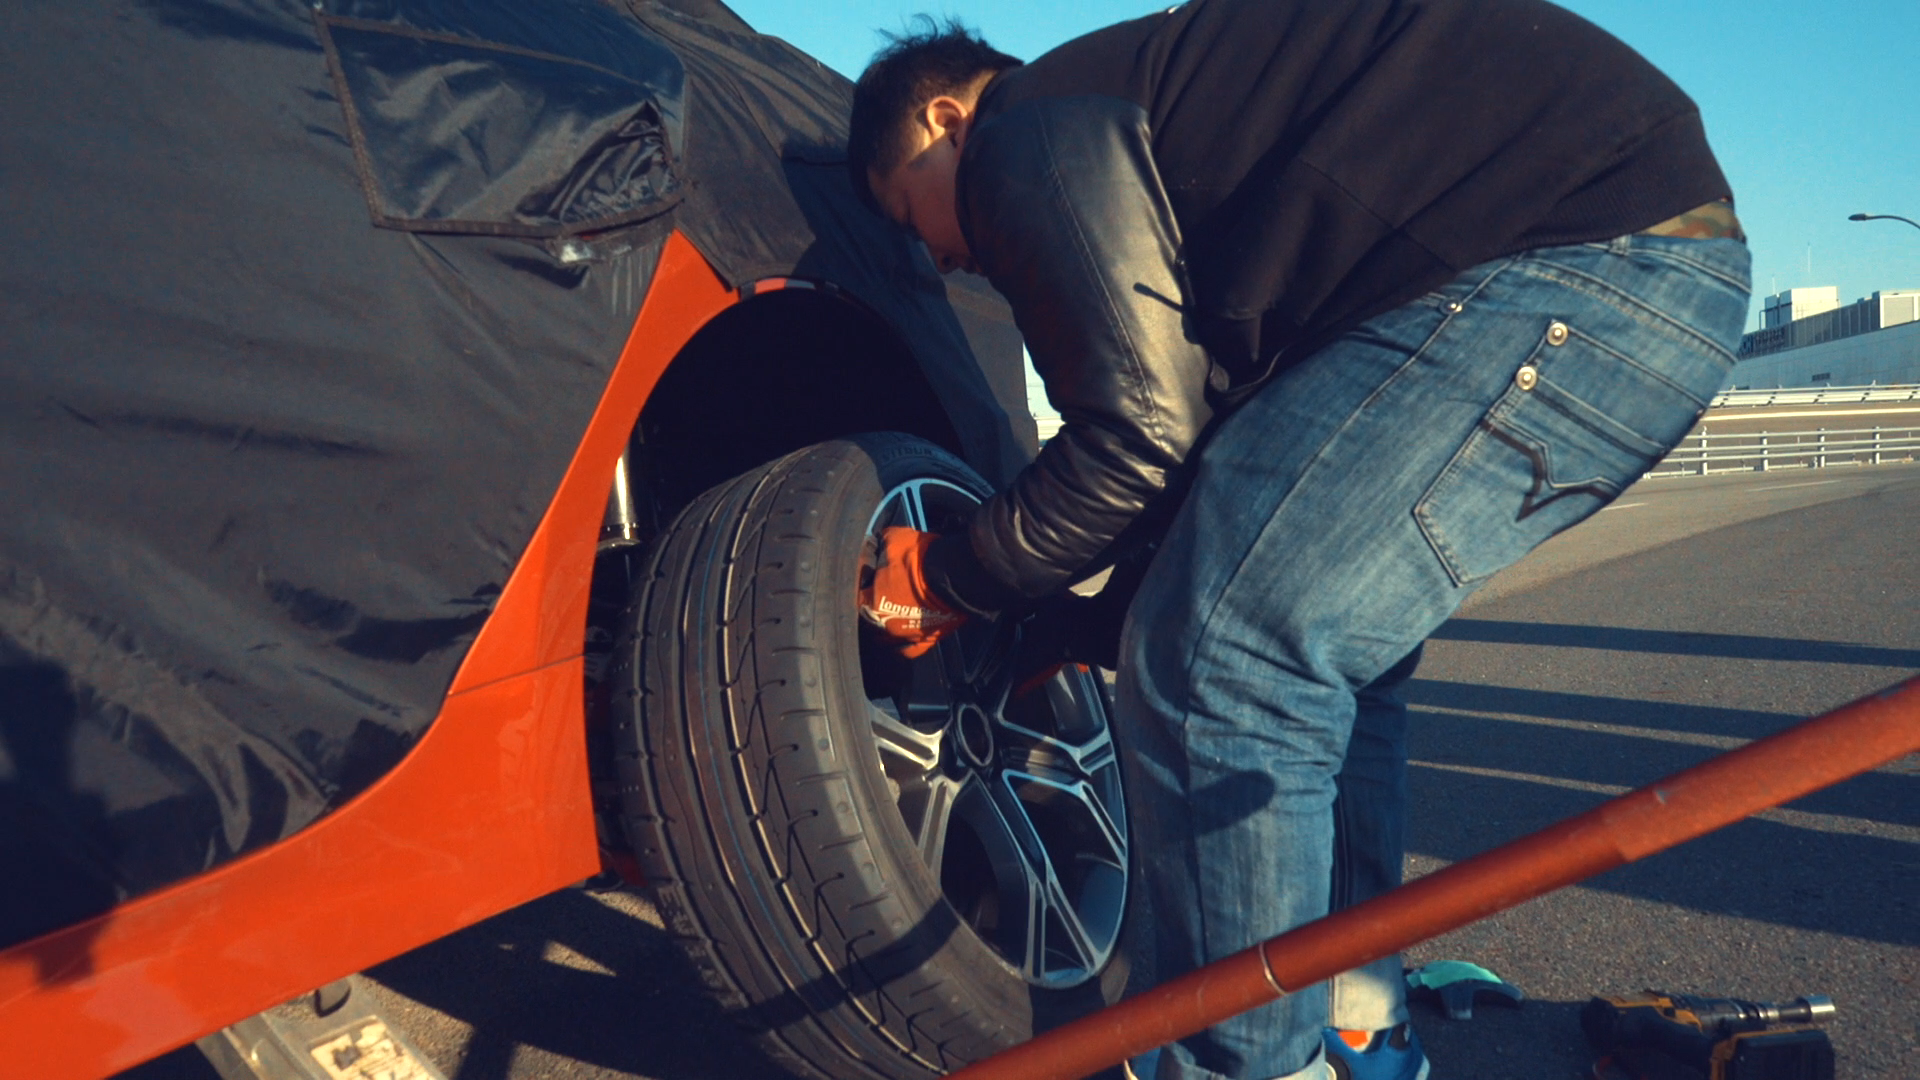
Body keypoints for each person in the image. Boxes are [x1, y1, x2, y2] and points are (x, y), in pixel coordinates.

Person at [848, 2, 1750, 1078]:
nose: (940, 259)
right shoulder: (1178, 140)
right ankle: (1360, 1027)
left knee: (1232, 659)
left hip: (1565, 266)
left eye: (911, 215)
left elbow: (1136, 436)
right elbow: (1202, 471)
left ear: (948, 119)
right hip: (1638, 267)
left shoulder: (1027, 129)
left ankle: (1250, 1067)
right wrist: (1077, 622)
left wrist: (950, 578)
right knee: (1332, 675)